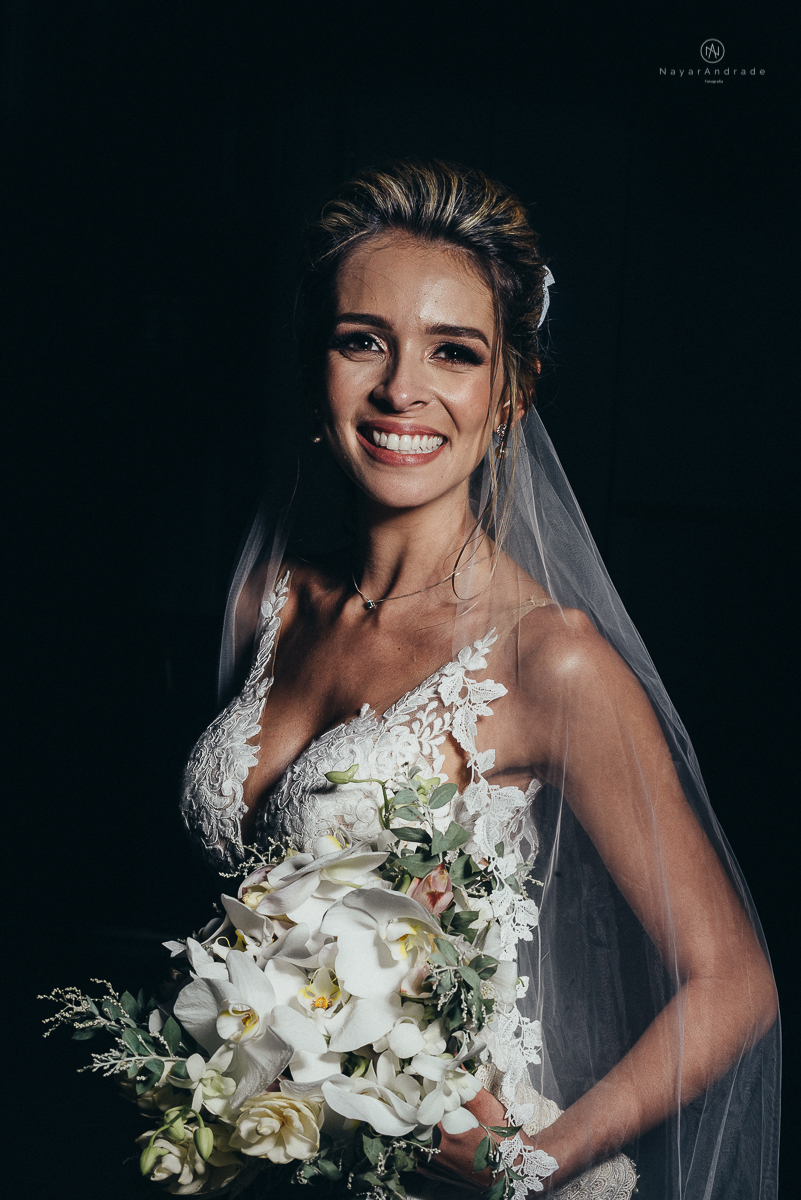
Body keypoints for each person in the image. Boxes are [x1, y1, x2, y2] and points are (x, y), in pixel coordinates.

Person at [180, 161, 780, 1198]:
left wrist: (525, 1159)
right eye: (362, 339)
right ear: (315, 367)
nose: (401, 389)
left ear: (510, 395)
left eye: (453, 353)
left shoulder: (550, 659)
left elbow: (736, 984)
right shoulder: (265, 606)